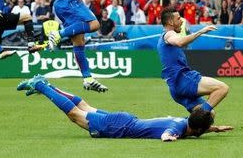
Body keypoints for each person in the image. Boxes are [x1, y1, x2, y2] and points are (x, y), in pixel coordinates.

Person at [17, 75, 233, 141]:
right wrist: (169, 138)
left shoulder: (183, 122)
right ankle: (42, 86)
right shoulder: (178, 128)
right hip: (119, 127)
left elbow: (187, 126)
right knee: (75, 114)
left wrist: (214, 128)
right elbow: (168, 135)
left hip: (124, 121)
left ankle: (47, 84)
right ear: (196, 131)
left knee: (83, 106)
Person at [157, 7, 229, 114]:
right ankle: (198, 117)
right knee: (222, 88)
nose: (182, 21)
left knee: (210, 115)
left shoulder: (162, 38)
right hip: (182, 80)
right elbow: (179, 42)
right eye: (178, 18)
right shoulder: (169, 34)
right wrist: (200, 32)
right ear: (170, 22)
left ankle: (184, 125)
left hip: (174, 87)